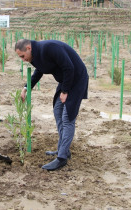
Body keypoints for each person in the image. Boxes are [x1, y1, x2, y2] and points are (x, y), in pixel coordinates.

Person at [15, 39, 89, 171]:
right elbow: (39, 71)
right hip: (66, 79)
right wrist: (26, 88)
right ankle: (63, 149)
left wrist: (65, 91)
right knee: (57, 110)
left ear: (28, 48)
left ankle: (62, 158)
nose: (23, 59)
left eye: (22, 56)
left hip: (76, 79)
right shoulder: (35, 56)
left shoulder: (49, 48)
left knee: (68, 117)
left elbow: (69, 67)